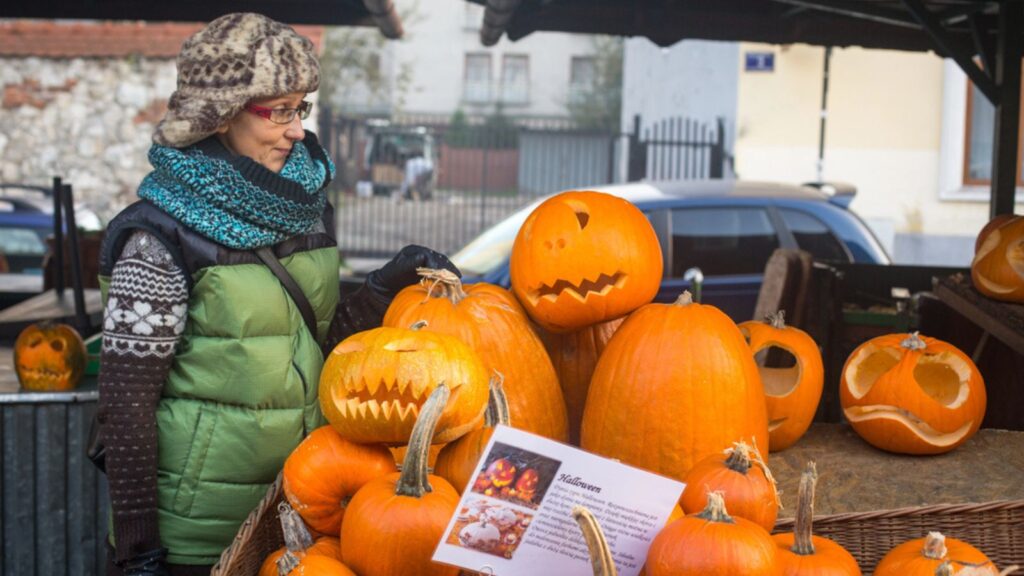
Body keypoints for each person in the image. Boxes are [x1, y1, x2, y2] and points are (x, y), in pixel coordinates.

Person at [94, 13, 458, 575]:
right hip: (196, 540)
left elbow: (319, 352)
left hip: (301, 515)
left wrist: (384, 287)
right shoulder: (157, 238)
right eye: (278, 111)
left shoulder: (302, 210)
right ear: (218, 116)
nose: (296, 129)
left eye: (300, 108)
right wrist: (139, 549)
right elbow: (125, 403)